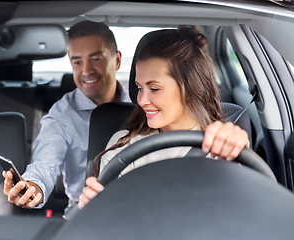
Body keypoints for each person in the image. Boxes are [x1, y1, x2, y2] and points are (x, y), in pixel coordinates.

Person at [78, 26, 250, 209]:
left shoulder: (220, 144)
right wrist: (91, 209)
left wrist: (238, 154)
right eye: (139, 88)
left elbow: (240, 213)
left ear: (190, 89)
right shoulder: (124, 145)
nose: (142, 100)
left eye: (154, 89)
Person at [2, 21, 130, 210]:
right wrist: (31, 189)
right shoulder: (62, 115)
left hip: (140, 201)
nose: (86, 71)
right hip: (84, 209)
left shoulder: (144, 101)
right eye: (77, 61)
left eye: (96, 59)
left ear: (117, 60)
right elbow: (44, 164)